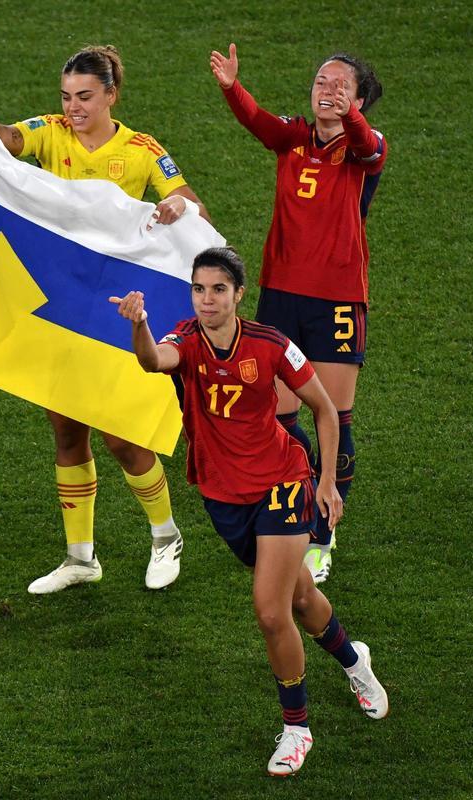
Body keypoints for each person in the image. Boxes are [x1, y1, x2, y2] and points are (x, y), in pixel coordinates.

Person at [111, 247, 387, 777]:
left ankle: (296, 728)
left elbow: (325, 409)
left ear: (239, 294)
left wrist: (327, 482)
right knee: (300, 597)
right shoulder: (183, 339)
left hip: (283, 482)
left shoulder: (272, 345)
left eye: (218, 289)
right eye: (198, 289)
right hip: (222, 494)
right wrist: (140, 324)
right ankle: (355, 661)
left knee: (269, 609)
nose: (207, 299)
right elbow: (152, 360)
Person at [0, 45, 210, 594]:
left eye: (85, 97)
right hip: (65, 303)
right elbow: (8, 140)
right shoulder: (49, 132)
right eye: (67, 96)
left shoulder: (142, 150)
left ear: (111, 96)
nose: (73, 107)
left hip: (120, 309)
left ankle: (166, 537)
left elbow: (192, 203)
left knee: (122, 434)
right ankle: (80, 557)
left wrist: (177, 208)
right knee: (67, 430)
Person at [209, 44, 386, 583]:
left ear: (358, 101)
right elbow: (258, 122)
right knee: (281, 416)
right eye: (320, 80)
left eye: (340, 85)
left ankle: (324, 535)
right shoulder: (293, 137)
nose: (325, 89)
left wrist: (347, 112)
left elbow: (364, 140)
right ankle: (304, 507)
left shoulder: (366, 150)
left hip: (337, 300)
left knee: (334, 415)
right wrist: (231, 88)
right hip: (281, 296)